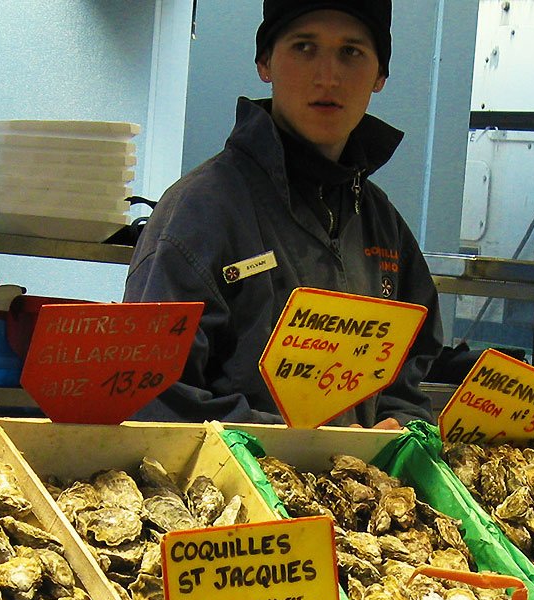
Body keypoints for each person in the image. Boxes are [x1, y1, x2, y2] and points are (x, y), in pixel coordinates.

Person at [123, 0, 443, 426]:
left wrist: (398, 425)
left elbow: (407, 383)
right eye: (304, 47)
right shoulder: (198, 213)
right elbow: (156, 398)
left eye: (351, 52)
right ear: (264, 62)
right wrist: (301, 443)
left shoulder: (383, 225)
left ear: (380, 75)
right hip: (232, 488)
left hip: (353, 486)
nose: (327, 76)